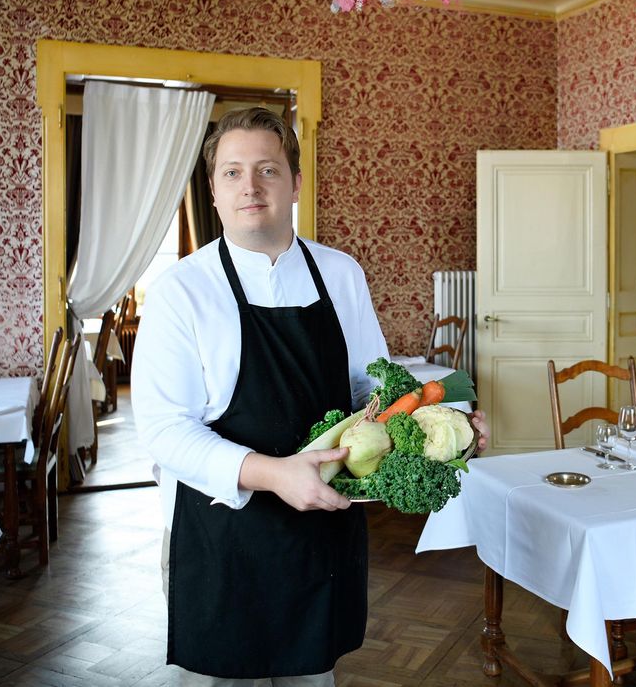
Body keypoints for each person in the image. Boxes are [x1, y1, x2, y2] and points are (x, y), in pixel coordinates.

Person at [132, 106, 488, 686]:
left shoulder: (340, 273)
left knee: (311, 678)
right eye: (232, 172)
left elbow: (372, 387)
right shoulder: (181, 291)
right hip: (223, 534)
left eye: (267, 169)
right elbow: (165, 431)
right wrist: (274, 474)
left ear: (295, 183)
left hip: (321, 528)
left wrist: (443, 424)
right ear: (213, 191)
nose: (250, 186)